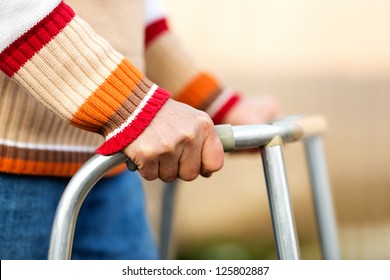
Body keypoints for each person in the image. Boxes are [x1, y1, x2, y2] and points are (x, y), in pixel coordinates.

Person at [0, 0, 281, 259]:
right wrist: (128, 105)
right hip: (11, 172)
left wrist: (213, 101)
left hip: (111, 171)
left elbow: (129, 15)